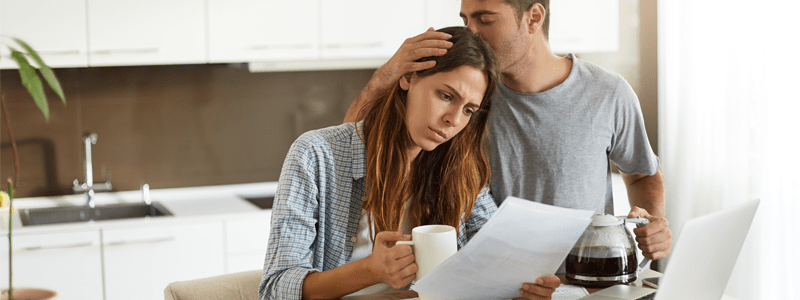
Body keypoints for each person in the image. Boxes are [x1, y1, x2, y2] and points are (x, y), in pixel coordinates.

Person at [344, 0, 672, 273]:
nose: (472, 32)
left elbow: (642, 175)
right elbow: (353, 148)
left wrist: (652, 226)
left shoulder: (608, 92)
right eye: (466, 19)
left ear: (533, 17)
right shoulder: (467, 96)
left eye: (485, 20)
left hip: (585, 282)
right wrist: (388, 73)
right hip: (492, 282)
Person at [261, 27, 558, 300]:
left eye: (468, 110)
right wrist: (370, 270)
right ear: (408, 79)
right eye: (445, 95)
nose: (453, 120)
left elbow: (496, 257)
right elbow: (275, 288)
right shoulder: (315, 154)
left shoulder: (461, 169)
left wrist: (523, 284)